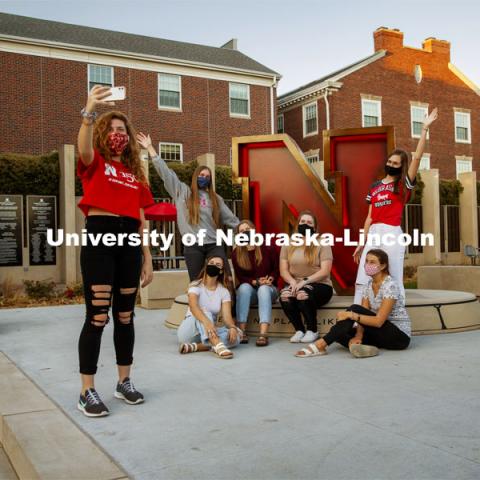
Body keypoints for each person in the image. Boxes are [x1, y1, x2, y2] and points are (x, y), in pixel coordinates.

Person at [76, 86, 155, 417]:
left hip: (129, 244)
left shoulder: (135, 176)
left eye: (121, 129)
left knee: (125, 315)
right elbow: (83, 149)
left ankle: (124, 382)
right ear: (101, 133)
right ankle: (87, 390)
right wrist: (89, 111)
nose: (116, 133)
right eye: (111, 128)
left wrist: (147, 257)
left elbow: (142, 220)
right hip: (100, 238)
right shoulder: (94, 163)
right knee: (97, 316)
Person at [353, 108, 438, 303]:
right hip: (374, 232)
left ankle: (397, 318)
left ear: (401, 166)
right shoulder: (374, 187)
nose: (391, 164)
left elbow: (417, 157)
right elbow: (369, 217)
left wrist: (424, 129)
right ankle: (359, 318)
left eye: (396, 163)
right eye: (390, 161)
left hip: (392, 232)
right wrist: (361, 242)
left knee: (394, 275)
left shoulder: (403, 184)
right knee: (365, 274)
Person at [136, 133, 239, 281]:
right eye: (201, 175)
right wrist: (151, 148)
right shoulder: (182, 192)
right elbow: (166, 174)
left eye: (207, 176)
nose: (204, 178)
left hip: (213, 244)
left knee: (225, 278)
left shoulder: (215, 198)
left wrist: (247, 233)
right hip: (192, 245)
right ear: (195, 176)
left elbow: (232, 219)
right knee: (196, 282)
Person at [295, 249, 411, 358]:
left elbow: (378, 321)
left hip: (398, 337)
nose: (367, 264)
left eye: (372, 262)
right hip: (381, 334)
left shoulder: (390, 285)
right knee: (340, 333)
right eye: (366, 261)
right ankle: (362, 347)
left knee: (354, 309)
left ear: (383, 266)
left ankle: (320, 345)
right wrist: (358, 336)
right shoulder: (368, 285)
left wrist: (351, 315)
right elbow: (364, 314)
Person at [279, 210, 334, 344]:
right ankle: (299, 330)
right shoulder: (288, 244)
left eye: (309, 222)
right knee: (285, 295)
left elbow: (325, 271)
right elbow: (283, 270)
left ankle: (312, 330)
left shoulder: (322, 243)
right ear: (298, 225)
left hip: (321, 286)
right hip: (296, 283)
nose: (305, 224)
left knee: (303, 293)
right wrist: (292, 282)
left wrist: (304, 281)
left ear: (314, 228)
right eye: (303, 222)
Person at [177, 256, 242, 359]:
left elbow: (227, 317)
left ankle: (196, 347)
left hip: (208, 331)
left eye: (218, 265)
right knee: (204, 311)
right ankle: (218, 346)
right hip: (189, 332)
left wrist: (232, 328)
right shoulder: (195, 285)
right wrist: (207, 323)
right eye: (211, 263)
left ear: (221, 271)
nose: (213, 266)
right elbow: (193, 307)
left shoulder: (224, 291)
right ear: (206, 266)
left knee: (237, 336)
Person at [231, 220, 279, 346]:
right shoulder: (237, 253)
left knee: (263, 289)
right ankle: (242, 331)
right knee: (243, 288)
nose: (245, 232)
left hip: (269, 289)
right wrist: (255, 281)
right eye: (242, 231)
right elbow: (240, 277)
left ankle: (263, 333)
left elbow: (276, 269)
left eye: (248, 229)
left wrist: (270, 279)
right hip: (251, 291)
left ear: (254, 230)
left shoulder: (267, 247)